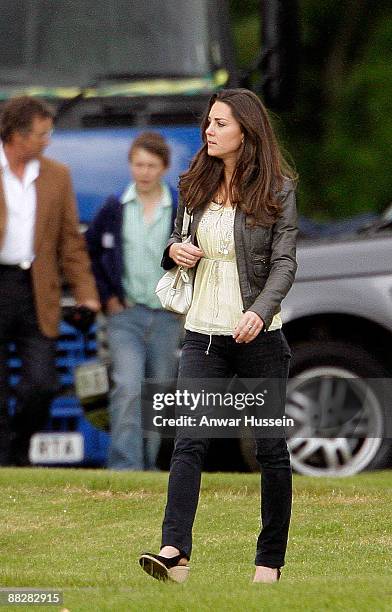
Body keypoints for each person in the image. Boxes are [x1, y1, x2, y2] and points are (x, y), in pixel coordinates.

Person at [139, 89, 298, 583]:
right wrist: (175, 253)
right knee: (189, 439)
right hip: (202, 334)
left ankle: (268, 563)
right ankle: (174, 554)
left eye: (219, 124)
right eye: (208, 122)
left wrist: (259, 311)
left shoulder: (280, 188)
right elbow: (175, 240)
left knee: (270, 448)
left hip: (259, 336)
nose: (209, 130)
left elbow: (284, 262)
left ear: (245, 132)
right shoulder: (193, 184)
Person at [0, 96, 100, 466]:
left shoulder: (57, 175)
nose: (48, 141)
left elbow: (70, 242)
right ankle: (7, 464)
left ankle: (17, 445)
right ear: (17, 136)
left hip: (37, 289)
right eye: (42, 134)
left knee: (41, 383)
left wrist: (87, 295)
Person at [86, 132, 182, 470]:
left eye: (151, 166)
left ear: (164, 168)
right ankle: (125, 466)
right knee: (127, 385)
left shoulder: (179, 209)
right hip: (125, 314)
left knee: (157, 392)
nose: (144, 172)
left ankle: (151, 465)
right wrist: (107, 296)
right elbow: (92, 252)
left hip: (167, 316)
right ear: (130, 165)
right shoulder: (114, 207)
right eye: (138, 165)